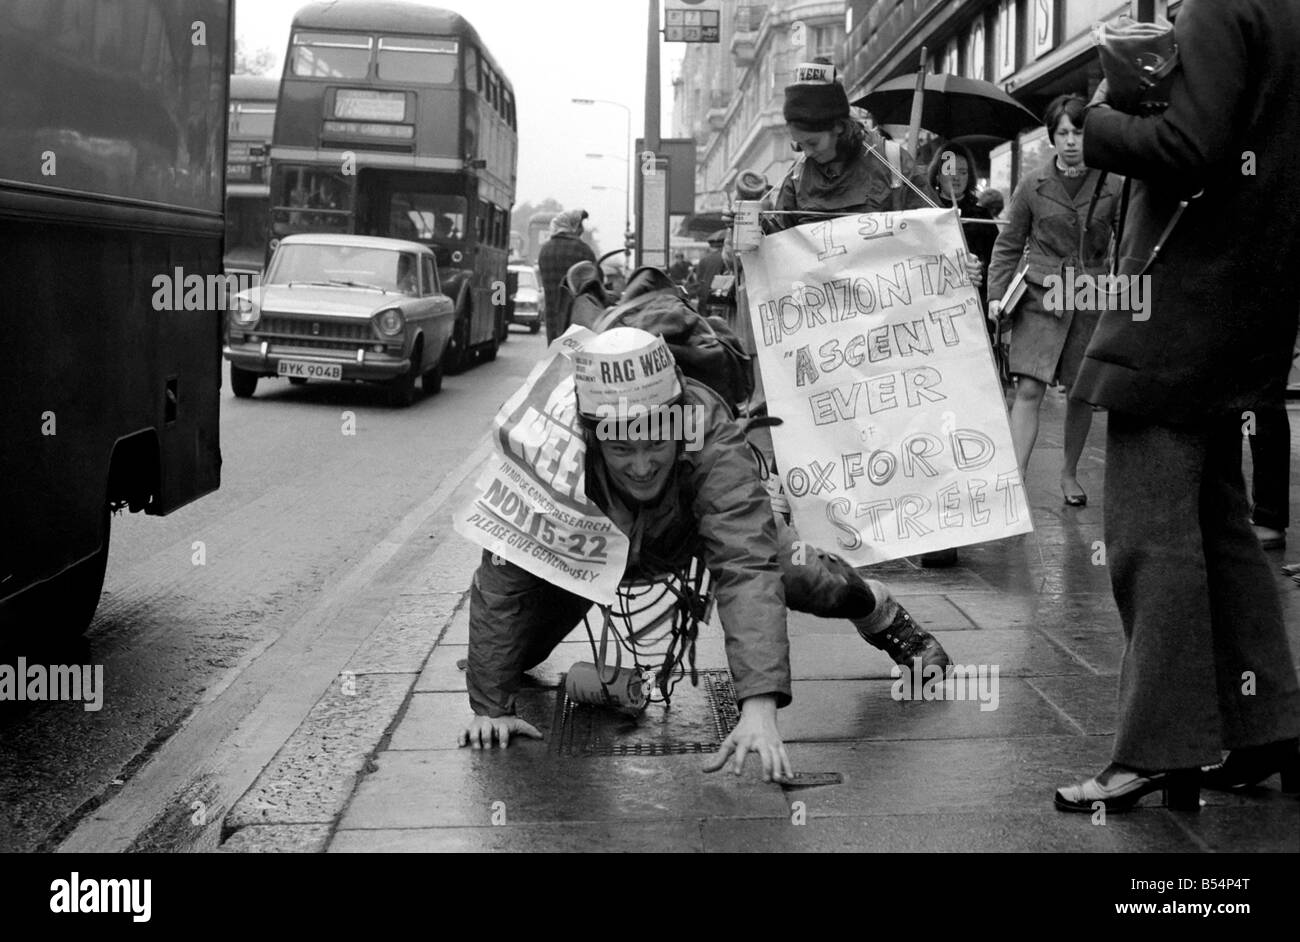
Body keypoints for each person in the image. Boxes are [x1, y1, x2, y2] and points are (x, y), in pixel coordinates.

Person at [457, 328, 952, 778]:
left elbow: (745, 564)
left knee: (802, 576)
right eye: (622, 450)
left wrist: (758, 705)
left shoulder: (708, 432)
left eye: (655, 444)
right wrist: (490, 707)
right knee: (512, 657)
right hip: (584, 555)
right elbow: (503, 575)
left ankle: (878, 609)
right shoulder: (552, 452)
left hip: (691, 531)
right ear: (591, 437)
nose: (643, 465)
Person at [1054, 0, 1300, 812]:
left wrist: (1095, 120)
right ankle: (1266, 723)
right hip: (1247, 298)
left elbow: (1189, 146)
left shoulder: (1224, 7)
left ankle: (1161, 749)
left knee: (1147, 535)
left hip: (1179, 307)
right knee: (1220, 522)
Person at [986, 94, 1123, 507]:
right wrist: (995, 294)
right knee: (1029, 388)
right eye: (1062, 133)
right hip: (1040, 296)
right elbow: (1008, 244)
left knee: (1081, 392)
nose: (1070, 141)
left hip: (1089, 296)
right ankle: (1015, 479)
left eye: (1078, 132)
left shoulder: (1113, 184)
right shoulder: (1032, 184)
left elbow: (1127, 245)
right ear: (1051, 138)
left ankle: (1068, 474)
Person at [537, 209, 598, 343]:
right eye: (579, 225)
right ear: (572, 226)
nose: (582, 230)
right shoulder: (583, 250)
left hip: (553, 320)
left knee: (555, 357)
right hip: (578, 322)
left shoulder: (545, 250)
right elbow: (596, 284)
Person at [693, 230, 729, 313]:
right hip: (721, 300)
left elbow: (699, 282)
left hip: (705, 300)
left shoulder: (704, 260)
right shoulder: (728, 259)